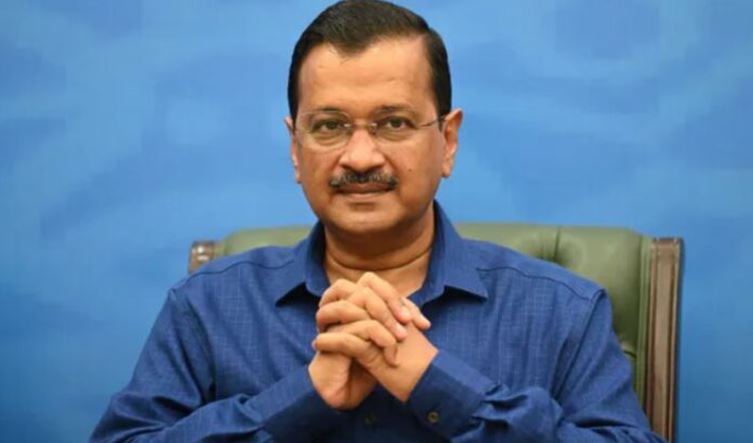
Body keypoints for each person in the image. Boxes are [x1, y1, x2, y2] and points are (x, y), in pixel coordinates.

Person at [91, 1, 666, 441]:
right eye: (329, 126)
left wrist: (436, 384)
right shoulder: (207, 307)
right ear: (295, 147)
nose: (361, 157)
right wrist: (301, 397)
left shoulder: (563, 311)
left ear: (447, 141)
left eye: (393, 123)